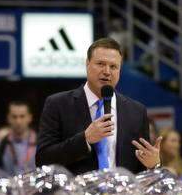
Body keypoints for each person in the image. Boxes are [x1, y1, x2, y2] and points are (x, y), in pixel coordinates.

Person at [36, 37, 159, 175]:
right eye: (100, 64)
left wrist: (153, 165)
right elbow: (43, 159)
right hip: (76, 194)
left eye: (113, 66)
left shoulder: (136, 111)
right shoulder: (58, 104)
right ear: (87, 64)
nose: (107, 71)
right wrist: (85, 139)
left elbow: (140, 171)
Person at [0, 101, 37, 175]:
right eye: (14, 117)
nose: (18, 121)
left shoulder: (40, 143)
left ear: (30, 117)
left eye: (22, 116)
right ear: (8, 118)